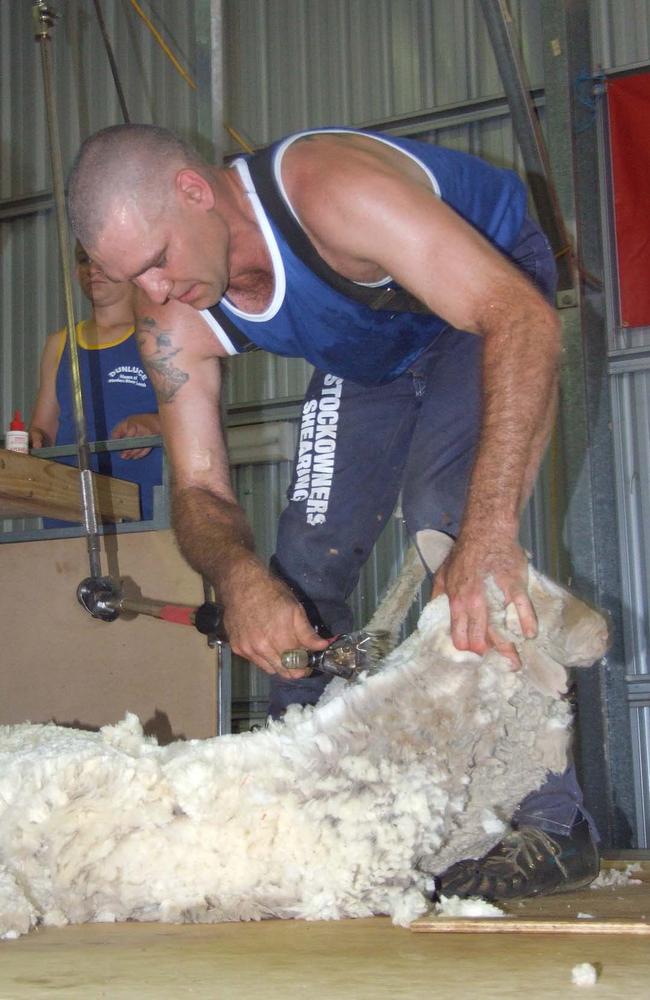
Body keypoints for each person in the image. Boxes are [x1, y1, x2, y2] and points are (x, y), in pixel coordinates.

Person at [66, 123, 599, 899]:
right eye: (127, 279)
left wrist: (489, 531)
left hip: (487, 306)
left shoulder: (331, 193)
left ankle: (556, 822)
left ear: (195, 191)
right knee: (300, 567)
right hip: (369, 355)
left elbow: (522, 321)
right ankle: (305, 818)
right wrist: (239, 579)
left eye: (157, 264)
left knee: (448, 522)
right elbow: (200, 489)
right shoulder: (171, 317)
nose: (151, 295)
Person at [30, 241, 162, 523]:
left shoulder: (158, 337)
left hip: (144, 512)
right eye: (83, 260)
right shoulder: (59, 343)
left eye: (102, 260)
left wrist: (153, 424)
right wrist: (32, 439)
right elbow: (43, 429)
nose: (92, 270)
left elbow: (196, 419)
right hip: (66, 513)